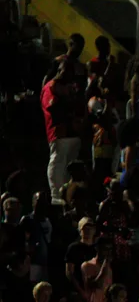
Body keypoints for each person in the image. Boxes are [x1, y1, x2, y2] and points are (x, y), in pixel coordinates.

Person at [41, 62, 82, 201]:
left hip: (73, 133)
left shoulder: (71, 86)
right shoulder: (51, 86)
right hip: (59, 133)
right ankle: (56, 195)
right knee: (57, 163)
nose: (69, 74)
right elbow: (53, 106)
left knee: (70, 167)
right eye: (65, 71)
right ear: (59, 70)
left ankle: (68, 196)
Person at [81, 237, 114, 302]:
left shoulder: (109, 268)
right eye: (105, 249)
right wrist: (105, 264)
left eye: (110, 250)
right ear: (97, 248)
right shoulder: (88, 265)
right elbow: (98, 284)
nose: (108, 253)